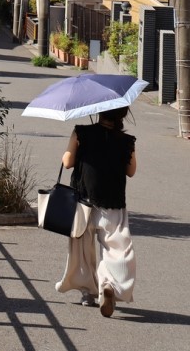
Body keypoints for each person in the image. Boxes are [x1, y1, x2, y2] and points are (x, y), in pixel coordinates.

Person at [56, 106, 137, 316]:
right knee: (117, 247)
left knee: (82, 248)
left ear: (99, 110)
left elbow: (67, 162)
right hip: (113, 201)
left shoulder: (81, 132)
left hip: (83, 199)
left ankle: (87, 292)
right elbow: (131, 171)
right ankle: (108, 284)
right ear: (121, 115)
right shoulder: (126, 141)